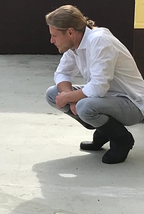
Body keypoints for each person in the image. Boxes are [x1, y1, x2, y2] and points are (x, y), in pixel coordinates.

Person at [45, 5, 144, 164]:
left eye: (54, 35)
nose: (51, 40)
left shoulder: (99, 41)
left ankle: (121, 139)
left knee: (85, 106)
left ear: (70, 32)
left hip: (133, 104)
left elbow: (98, 87)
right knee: (52, 93)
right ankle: (105, 130)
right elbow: (62, 73)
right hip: (106, 99)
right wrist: (70, 98)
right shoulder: (74, 44)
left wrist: (71, 97)